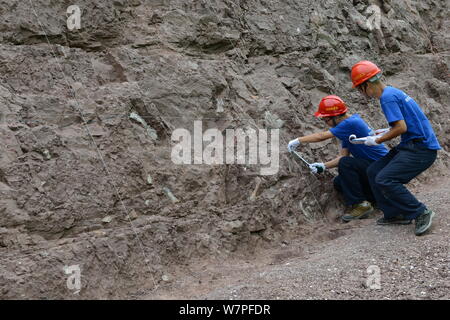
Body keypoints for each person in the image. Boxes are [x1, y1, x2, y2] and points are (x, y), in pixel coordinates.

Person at [351, 60, 441, 236]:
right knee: (374, 171)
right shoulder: (393, 92)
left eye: (359, 89)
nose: (361, 94)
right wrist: (384, 132)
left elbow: (401, 128)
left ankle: (421, 212)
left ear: (366, 85)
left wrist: (376, 141)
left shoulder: (386, 98)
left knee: (385, 178)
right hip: (412, 144)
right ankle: (395, 213)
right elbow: (408, 122)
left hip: (421, 149)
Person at [288, 95, 388, 222]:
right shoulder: (347, 130)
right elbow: (343, 156)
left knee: (346, 164)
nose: (326, 123)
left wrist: (298, 141)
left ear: (335, 116)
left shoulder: (350, 123)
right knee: (340, 182)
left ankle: (361, 205)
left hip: (381, 166)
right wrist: (323, 166)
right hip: (373, 168)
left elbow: (321, 136)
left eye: (326, 120)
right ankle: (376, 199)